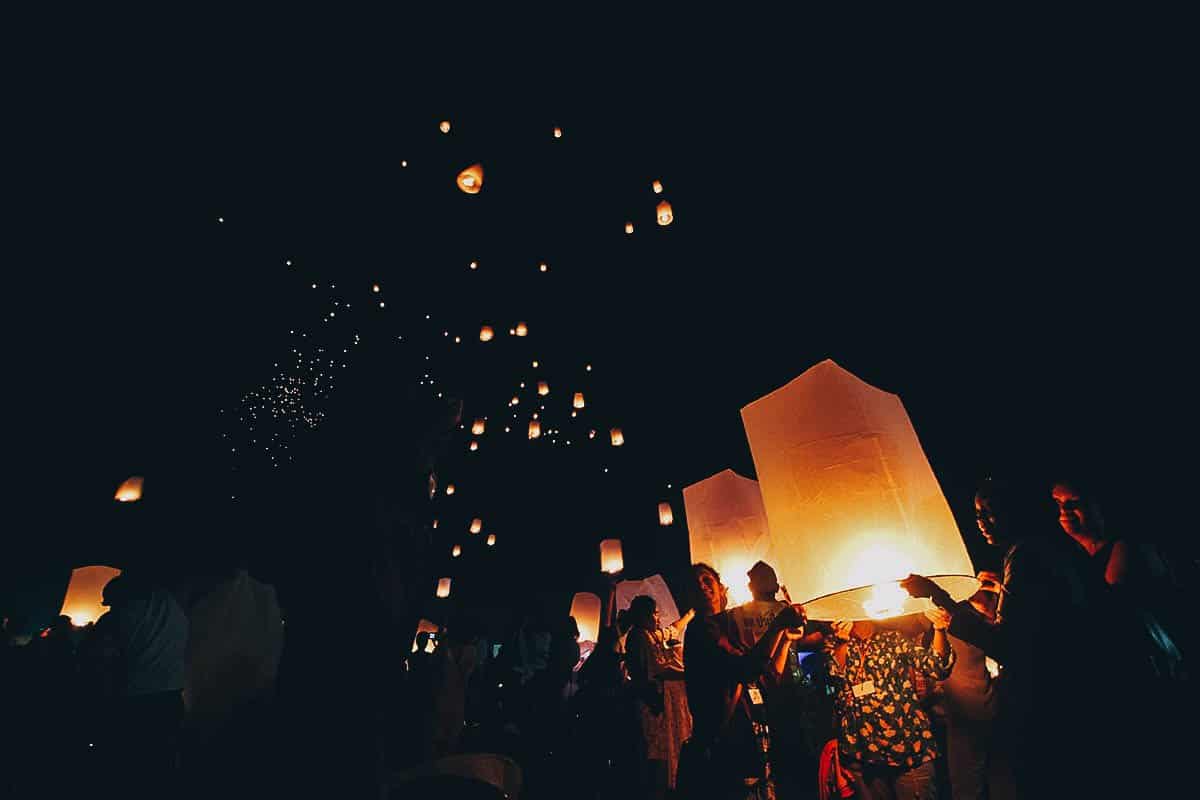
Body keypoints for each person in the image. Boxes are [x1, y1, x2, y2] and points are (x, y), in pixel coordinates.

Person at [901, 478, 1096, 798]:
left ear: (1017, 511)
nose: (981, 523)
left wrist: (940, 598)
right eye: (978, 514)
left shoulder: (1027, 557)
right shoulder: (1034, 552)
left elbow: (1009, 642)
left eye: (991, 513)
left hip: (1053, 701)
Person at [680, 563, 805, 800]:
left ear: (721, 587)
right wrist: (777, 625)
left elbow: (768, 675)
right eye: (695, 585)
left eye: (707, 580)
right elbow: (746, 669)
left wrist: (784, 638)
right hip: (726, 738)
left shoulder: (729, 625)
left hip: (749, 732)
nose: (703, 587)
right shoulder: (702, 630)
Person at [822, 607, 954, 800]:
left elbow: (937, 667)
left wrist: (940, 630)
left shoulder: (893, 639)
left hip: (907, 752)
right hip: (864, 757)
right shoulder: (836, 644)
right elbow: (837, 678)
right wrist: (841, 642)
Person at [79, 573, 189, 798]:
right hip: (171, 698)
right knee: (161, 765)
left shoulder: (115, 619)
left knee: (127, 770)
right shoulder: (175, 609)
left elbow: (96, 660)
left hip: (133, 702)